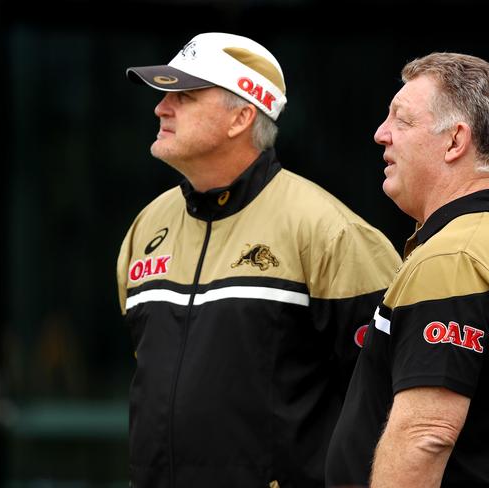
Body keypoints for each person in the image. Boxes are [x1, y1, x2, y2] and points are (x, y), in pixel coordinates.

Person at [116, 32, 401, 488]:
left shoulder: (329, 231)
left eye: (184, 96)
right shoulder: (147, 227)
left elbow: (389, 405)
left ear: (242, 116)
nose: (161, 108)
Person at [326, 52, 489, 487]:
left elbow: (428, 436)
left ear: (454, 142)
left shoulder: (454, 257)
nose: (380, 134)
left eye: (401, 121)